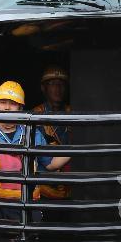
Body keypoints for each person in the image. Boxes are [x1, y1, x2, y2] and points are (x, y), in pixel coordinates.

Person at [0, 81, 70, 221]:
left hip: (28, 210)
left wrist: (75, 148)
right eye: (3, 102)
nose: (7, 108)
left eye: (13, 103)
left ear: (20, 108)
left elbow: (51, 164)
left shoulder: (33, 135)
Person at [32, 65, 72, 200]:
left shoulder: (73, 112)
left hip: (71, 182)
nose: (58, 89)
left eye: (61, 84)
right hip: (46, 186)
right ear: (44, 88)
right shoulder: (35, 115)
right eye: (53, 84)